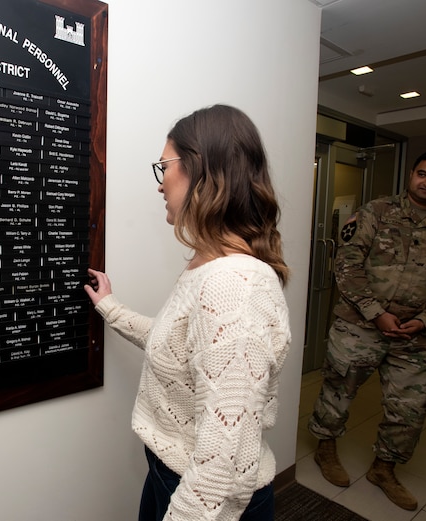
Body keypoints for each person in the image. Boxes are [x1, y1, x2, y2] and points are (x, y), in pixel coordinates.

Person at [84, 104, 291, 521]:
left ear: (200, 170)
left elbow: (222, 460)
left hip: (200, 498)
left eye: (166, 168)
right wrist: (110, 306)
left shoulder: (235, 284)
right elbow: (179, 343)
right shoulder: (209, 267)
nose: (161, 185)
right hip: (171, 476)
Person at [309, 149, 426, 511]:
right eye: (423, 174)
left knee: (413, 405)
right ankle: (325, 449)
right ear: (411, 174)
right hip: (360, 326)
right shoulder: (375, 212)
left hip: (414, 335)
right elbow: (346, 266)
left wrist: (425, 321)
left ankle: (384, 468)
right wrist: (376, 313)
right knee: (338, 390)